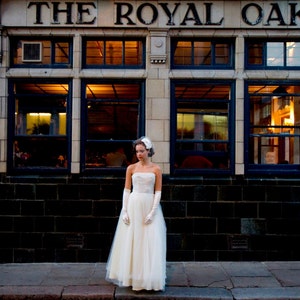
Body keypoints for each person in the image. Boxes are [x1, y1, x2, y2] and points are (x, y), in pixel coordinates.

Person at [106, 136, 167, 291]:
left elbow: (158, 192)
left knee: (149, 241)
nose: (139, 154)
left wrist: (153, 212)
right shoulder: (131, 168)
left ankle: (147, 278)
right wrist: (124, 210)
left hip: (149, 205)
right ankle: (132, 276)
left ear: (148, 151)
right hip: (133, 204)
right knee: (133, 240)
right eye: (137, 151)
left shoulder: (156, 169)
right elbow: (127, 190)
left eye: (142, 151)